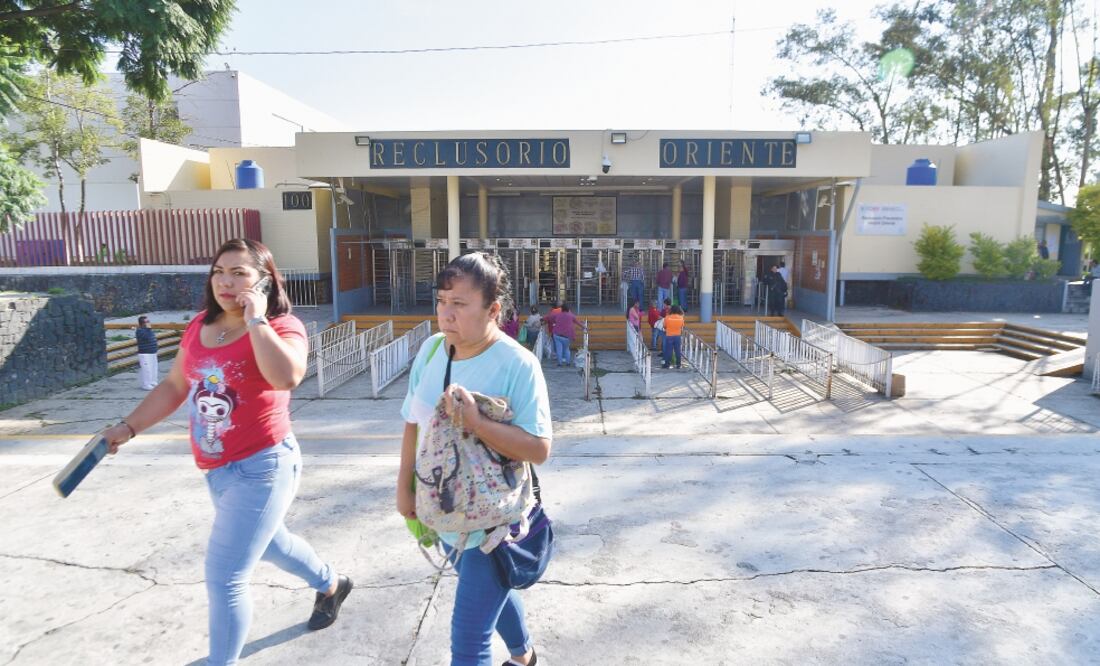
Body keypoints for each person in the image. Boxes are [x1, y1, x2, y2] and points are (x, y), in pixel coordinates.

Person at [100, 239, 350, 665]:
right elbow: (176, 386)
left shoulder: (283, 326)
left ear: (264, 282)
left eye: (240, 273)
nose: (226, 282)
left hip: (264, 466)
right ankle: (331, 583)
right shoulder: (201, 325)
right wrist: (129, 426)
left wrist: (256, 320)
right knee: (273, 545)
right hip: (217, 470)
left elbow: (286, 377)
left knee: (225, 577)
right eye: (219, 271)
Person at [398, 252, 551, 666]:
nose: (446, 314)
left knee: (468, 642)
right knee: (489, 597)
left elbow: (539, 448)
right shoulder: (431, 351)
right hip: (445, 513)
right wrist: (404, 490)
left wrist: (477, 423)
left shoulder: (518, 364)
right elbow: (413, 423)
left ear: (493, 309)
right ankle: (525, 657)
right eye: (442, 301)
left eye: (460, 304)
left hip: (493, 523)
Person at [548, 302, 584, 367]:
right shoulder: (571, 315)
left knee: (559, 349)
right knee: (566, 349)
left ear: (561, 308)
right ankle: (568, 363)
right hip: (567, 336)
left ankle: (560, 363)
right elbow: (578, 323)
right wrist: (584, 327)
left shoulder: (558, 315)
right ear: (569, 309)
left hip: (557, 335)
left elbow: (550, 318)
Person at [135, 315, 159, 390]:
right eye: (147, 322)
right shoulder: (139, 330)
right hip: (145, 353)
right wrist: (148, 329)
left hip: (152, 352)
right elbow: (145, 337)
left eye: (149, 321)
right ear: (142, 323)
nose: (149, 323)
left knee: (153, 368)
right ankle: (146, 384)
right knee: (147, 369)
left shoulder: (149, 330)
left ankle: (153, 381)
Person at [662, 305, 685, 369]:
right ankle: (679, 364)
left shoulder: (667, 317)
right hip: (677, 336)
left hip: (669, 335)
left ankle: (667, 364)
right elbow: (682, 326)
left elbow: (664, 326)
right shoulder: (681, 317)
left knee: (669, 351)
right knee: (678, 351)